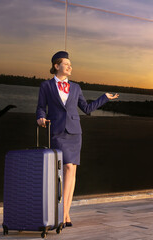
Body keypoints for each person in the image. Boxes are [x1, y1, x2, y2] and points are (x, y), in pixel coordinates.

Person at [36, 51, 118, 227]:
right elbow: (41, 107)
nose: (70, 66)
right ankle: (62, 213)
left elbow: (87, 109)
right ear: (56, 66)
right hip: (57, 132)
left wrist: (104, 98)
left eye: (70, 64)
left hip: (74, 133)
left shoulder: (76, 87)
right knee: (65, 168)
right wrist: (40, 118)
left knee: (71, 171)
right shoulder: (46, 86)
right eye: (66, 64)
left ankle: (65, 213)